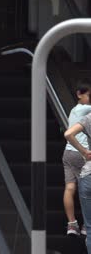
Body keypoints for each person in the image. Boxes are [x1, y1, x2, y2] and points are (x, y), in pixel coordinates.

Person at [62, 83, 91, 236]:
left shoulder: (73, 110)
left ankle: (72, 224)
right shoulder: (86, 109)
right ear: (79, 94)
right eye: (89, 95)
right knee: (86, 189)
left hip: (67, 153)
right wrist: (84, 151)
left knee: (70, 188)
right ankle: (87, 226)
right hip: (81, 154)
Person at [65, 112, 91, 253]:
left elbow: (68, 134)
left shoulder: (89, 117)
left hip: (88, 175)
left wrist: (85, 152)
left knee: (90, 228)